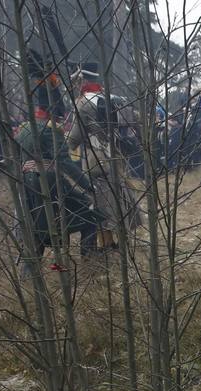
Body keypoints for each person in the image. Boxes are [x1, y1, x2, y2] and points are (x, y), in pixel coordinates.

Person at [14, 102, 98, 266]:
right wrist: (87, 186)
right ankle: (90, 264)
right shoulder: (50, 130)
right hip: (49, 183)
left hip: (27, 185)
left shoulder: (24, 130)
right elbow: (64, 162)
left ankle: (30, 274)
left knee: (35, 228)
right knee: (91, 216)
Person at [67, 67, 139, 252]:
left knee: (99, 203)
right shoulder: (112, 98)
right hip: (117, 157)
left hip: (96, 161)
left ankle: (106, 243)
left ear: (82, 81)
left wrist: (63, 143)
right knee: (119, 200)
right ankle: (122, 241)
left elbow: (75, 137)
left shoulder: (83, 103)